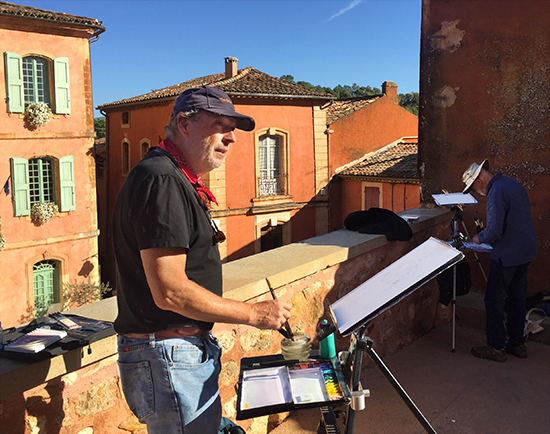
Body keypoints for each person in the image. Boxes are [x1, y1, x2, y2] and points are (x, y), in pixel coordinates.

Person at [112, 86, 292, 434]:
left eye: (233, 129)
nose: (231, 138)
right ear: (183, 123)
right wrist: (255, 314)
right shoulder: (162, 179)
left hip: (175, 351)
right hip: (166, 354)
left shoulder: (172, 176)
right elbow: (171, 292)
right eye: (220, 125)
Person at [462, 159, 537, 362]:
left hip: (506, 254)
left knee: (494, 299)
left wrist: (478, 239)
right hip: (525, 251)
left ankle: (495, 346)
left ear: (479, 180)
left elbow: (495, 230)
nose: (476, 192)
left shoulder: (495, 192)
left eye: (473, 188)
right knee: (517, 298)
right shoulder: (513, 184)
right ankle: (517, 343)